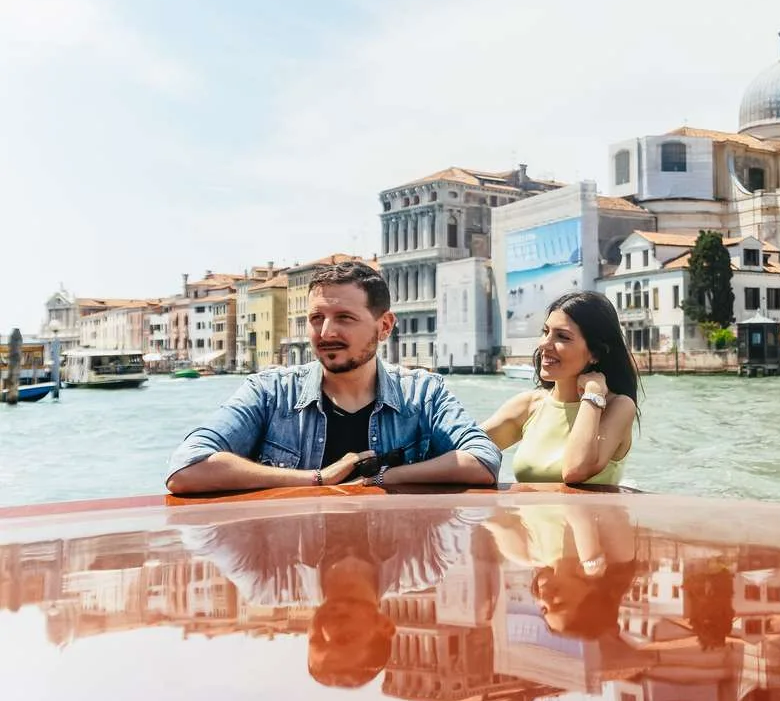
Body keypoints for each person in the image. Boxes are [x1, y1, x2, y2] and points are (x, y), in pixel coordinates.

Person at [166, 261, 501, 493]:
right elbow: (186, 468)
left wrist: (382, 478)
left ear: (384, 326)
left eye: (344, 317)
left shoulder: (424, 394)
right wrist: (317, 479)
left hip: (389, 575)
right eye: (316, 318)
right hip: (300, 575)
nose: (326, 332)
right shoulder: (269, 392)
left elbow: (483, 460)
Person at [181, 507, 489, 687]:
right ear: (386, 626)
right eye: (344, 638)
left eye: (317, 641)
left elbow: (199, 530)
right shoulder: (425, 563)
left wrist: (305, 482)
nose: (326, 629)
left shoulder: (267, 581)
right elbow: (469, 510)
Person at [482, 291, 639, 485]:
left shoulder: (619, 407)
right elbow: (465, 447)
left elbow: (575, 469)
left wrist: (593, 395)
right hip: (527, 515)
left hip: (589, 517)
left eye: (562, 337)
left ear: (595, 353)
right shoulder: (529, 405)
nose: (545, 344)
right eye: (545, 331)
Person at [484, 503, 637, 639]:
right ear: (592, 593)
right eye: (560, 604)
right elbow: (578, 504)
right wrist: (590, 559)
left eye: (544, 609)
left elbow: (485, 513)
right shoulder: (619, 553)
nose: (544, 599)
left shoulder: (525, 554)